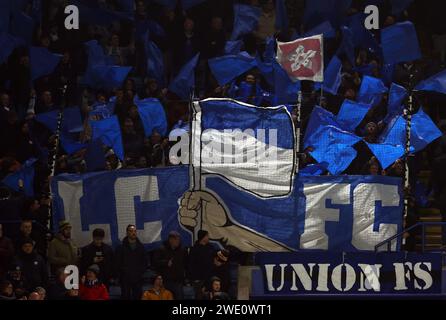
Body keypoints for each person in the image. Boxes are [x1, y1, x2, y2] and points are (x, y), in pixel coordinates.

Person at [115, 224, 147, 300]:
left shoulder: (141, 247)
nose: (133, 233)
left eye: (135, 231)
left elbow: (145, 262)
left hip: (138, 278)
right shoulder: (120, 248)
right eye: (131, 231)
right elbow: (117, 263)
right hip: (125, 278)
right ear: (127, 233)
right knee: (126, 297)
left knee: (138, 296)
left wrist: (140, 272)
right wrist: (121, 274)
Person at [152, 231, 187, 299]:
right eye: (176, 240)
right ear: (171, 240)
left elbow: (186, 263)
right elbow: (155, 262)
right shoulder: (161, 249)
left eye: (179, 240)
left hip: (178, 281)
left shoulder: (182, 250)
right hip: (165, 281)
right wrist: (165, 263)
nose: (178, 241)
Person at [187, 230, 215, 298]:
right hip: (198, 279)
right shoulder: (194, 249)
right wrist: (193, 278)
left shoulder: (210, 248)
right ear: (203, 237)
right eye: (207, 236)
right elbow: (191, 264)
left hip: (209, 278)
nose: (208, 237)